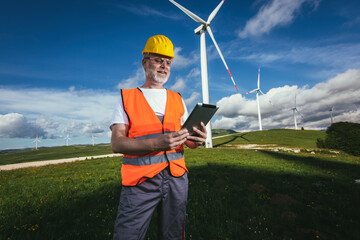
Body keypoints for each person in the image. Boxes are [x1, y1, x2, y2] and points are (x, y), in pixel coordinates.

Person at [110, 34, 207, 240]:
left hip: (177, 179)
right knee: (127, 235)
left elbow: (187, 141)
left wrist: (197, 140)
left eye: (168, 62)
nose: (164, 66)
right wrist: (157, 143)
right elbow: (116, 143)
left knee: (173, 235)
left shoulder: (178, 99)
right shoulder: (126, 98)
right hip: (140, 182)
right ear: (145, 62)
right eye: (158, 60)